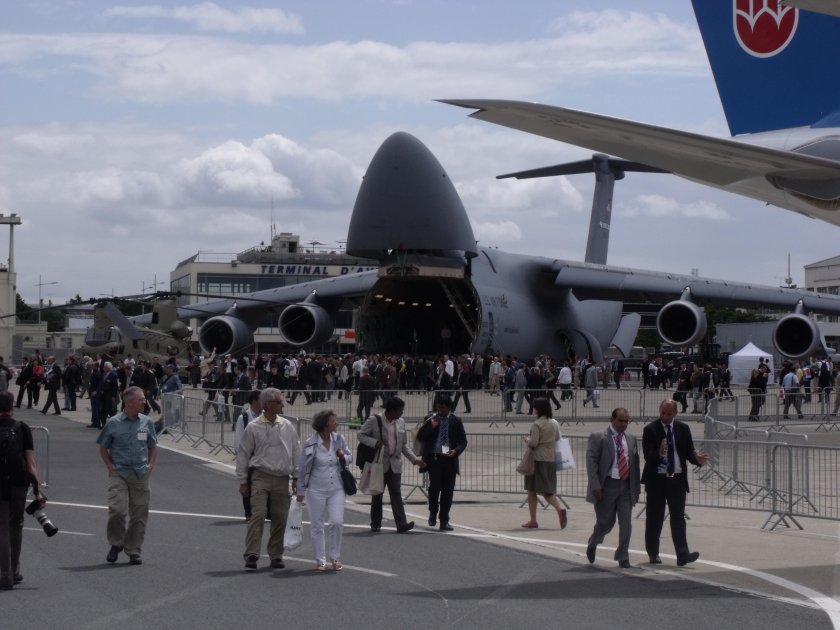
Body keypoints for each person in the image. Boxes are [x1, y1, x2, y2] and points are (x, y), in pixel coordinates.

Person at [236, 388, 300, 571]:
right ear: (267, 405)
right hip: (260, 476)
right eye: (279, 402)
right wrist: (242, 480)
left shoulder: (287, 426)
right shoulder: (253, 426)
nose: (282, 405)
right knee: (258, 513)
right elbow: (243, 454)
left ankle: (276, 554)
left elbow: (296, 451)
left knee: (281, 516)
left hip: (281, 477)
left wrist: (297, 477)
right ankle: (251, 553)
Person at [641, 399, 709, 566]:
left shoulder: (682, 429)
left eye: (669, 414)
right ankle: (653, 553)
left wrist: (697, 459)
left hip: (677, 480)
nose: (665, 416)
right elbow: (647, 456)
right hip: (657, 481)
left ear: (675, 413)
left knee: (678, 518)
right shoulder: (650, 429)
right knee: (655, 518)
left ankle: (682, 554)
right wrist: (659, 452)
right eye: (663, 413)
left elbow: (688, 452)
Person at [96, 386, 158, 565]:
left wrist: (151, 463)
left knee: (139, 514)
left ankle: (133, 549)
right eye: (141, 400)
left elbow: (153, 445)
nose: (144, 402)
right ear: (130, 403)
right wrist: (110, 467)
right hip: (120, 473)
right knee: (117, 510)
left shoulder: (147, 422)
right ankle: (116, 543)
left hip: (140, 473)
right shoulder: (113, 423)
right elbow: (103, 447)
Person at [358, 396, 426, 533]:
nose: (402, 413)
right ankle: (376, 523)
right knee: (377, 493)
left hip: (395, 464)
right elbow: (361, 435)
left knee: (396, 493)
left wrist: (415, 460)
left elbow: (404, 446)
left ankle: (401, 524)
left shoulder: (401, 422)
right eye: (400, 410)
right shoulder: (374, 420)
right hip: (379, 463)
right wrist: (374, 443)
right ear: (392, 410)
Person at [585, 407, 640, 568]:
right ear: (612, 419)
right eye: (620, 421)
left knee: (626, 523)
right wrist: (595, 485)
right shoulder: (598, 437)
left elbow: (634, 465)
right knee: (605, 522)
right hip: (606, 486)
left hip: (625, 486)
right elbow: (591, 462)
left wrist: (635, 489)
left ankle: (623, 555)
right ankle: (593, 542)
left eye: (626, 421)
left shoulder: (631, 438)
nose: (623, 424)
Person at [296, 409, 350, 571]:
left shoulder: (339, 439)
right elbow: (302, 468)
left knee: (336, 521)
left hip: (337, 488)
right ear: (325, 424)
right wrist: (300, 491)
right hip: (316, 489)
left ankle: (335, 556)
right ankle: (321, 560)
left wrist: (343, 456)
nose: (336, 423)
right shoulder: (310, 443)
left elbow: (349, 457)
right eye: (333, 420)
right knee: (317, 525)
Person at [0, 390, 43, 589]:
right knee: (15, 525)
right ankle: (14, 570)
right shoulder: (22, 428)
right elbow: (30, 462)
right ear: (12, 407)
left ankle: (4, 574)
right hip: (18, 483)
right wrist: (36, 487)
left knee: (2, 528)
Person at [416, 394, 468, 531]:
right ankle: (433, 512)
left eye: (443, 408)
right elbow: (420, 436)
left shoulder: (456, 421)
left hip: (449, 460)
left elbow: (463, 441)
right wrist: (430, 427)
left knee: (448, 491)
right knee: (434, 489)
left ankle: (444, 519)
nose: (440, 411)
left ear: (449, 407)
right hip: (435, 459)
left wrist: (456, 451)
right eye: (438, 408)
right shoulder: (431, 419)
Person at [519, 398, 568, 530]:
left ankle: (537, 518)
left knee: (532, 490)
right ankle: (557, 510)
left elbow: (534, 443)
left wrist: (526, 440)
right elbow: (558, 438)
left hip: (537, 460)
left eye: (534, 407)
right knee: (547, 488)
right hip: (550, 458)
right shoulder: (554, 423)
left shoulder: (537, 424)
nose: (533, 409)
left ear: (538, 409)